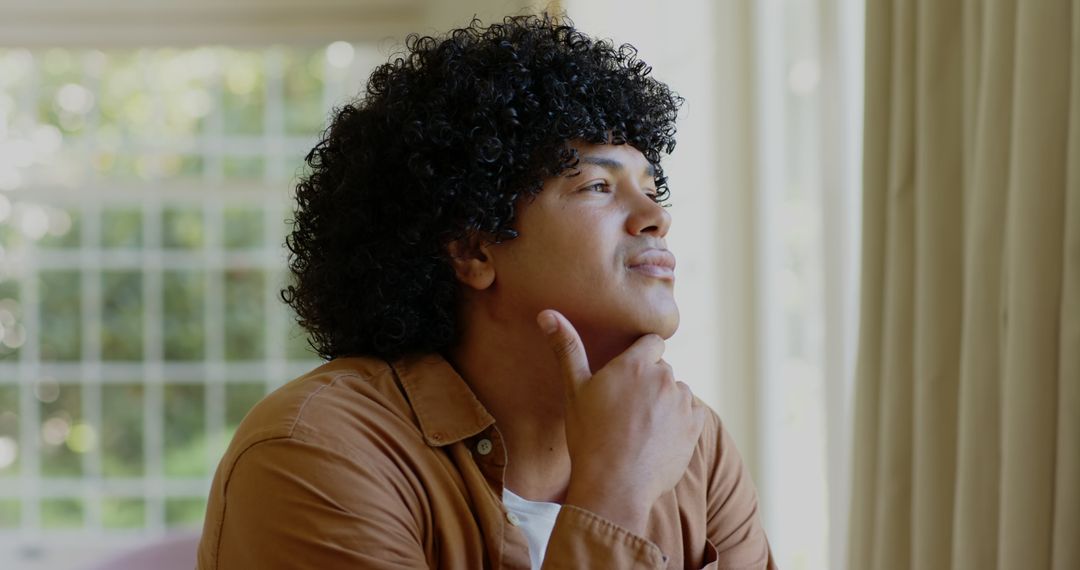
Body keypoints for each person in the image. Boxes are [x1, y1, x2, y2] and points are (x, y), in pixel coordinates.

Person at [197, 13, 775, 569]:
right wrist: (615, 495)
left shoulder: (693, 443)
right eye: (598, 185)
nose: (656, 217)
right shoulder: (316, 450)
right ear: (473, 250)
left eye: (652, 188)